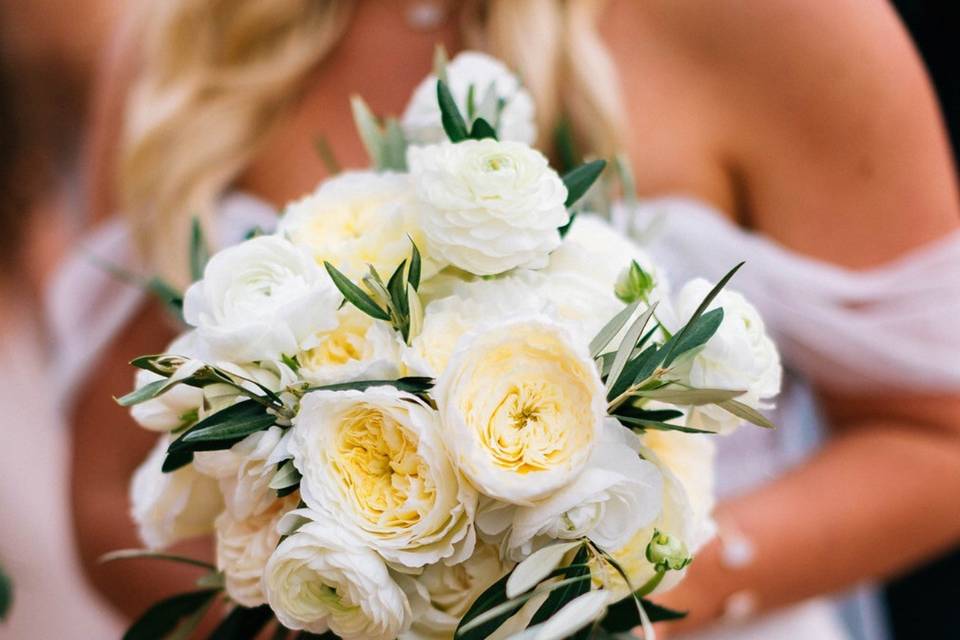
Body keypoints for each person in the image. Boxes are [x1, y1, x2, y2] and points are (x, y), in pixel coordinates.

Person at [63, 1, 960, 638]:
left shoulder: (789, 20)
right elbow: (111, 484)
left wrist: (624, 592)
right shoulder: (184, 37)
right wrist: (338, 614)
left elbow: (936, 438)